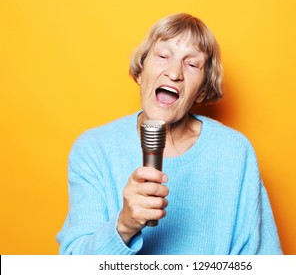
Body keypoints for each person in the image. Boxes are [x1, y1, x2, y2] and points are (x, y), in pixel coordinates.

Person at [57, 13, 282, 255]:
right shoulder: (94, 150)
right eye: (163, 56)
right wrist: (124, 225)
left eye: (192, 64)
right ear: (141, 71)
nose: (174, 72)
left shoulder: (235, 152)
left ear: (202, 92)